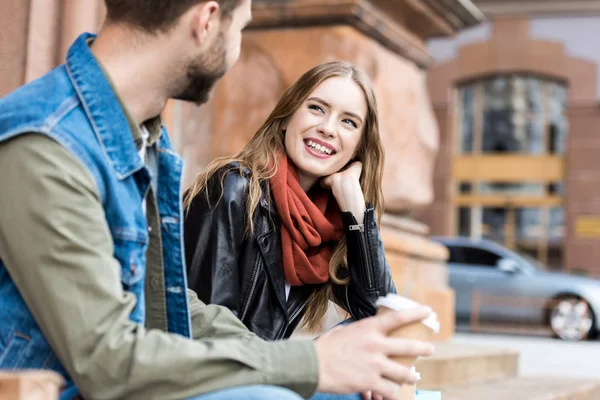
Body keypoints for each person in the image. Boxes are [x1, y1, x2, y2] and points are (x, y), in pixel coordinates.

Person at [0, 1, 434, 399]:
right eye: (241, 27)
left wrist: (318, 356)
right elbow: (109, 360)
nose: (239, 50)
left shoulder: (142, 139)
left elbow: (172, 305)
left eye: (348, 122)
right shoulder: (48, 144)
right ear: (207, 21)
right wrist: (305, 363)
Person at [184, 61, 396, 341]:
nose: (328, 128)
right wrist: (301, 363)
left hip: (264, 369)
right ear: (286, 117)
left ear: (359, 146)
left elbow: (382, 316)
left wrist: (357, 213)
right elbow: (206, 330)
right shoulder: (233, 188)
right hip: (218, 374)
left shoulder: (327, 222)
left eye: (348, 122)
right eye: (316, 108)